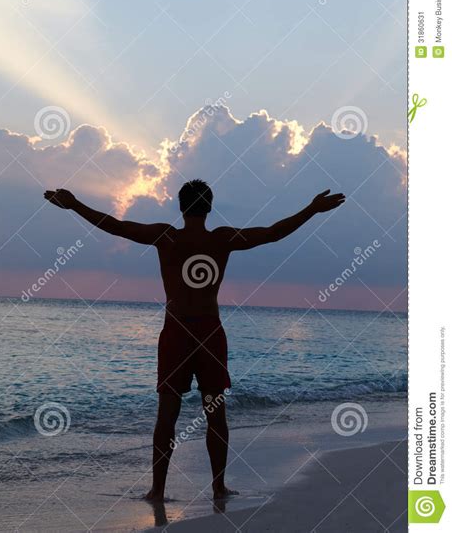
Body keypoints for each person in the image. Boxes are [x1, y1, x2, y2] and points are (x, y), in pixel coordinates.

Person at [44, 180, 345, 501]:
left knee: (167, 414)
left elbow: (116, 227)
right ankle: (217, 486)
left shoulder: (167, 236)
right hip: (209, 333)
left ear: (180, 207)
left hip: (175, 332)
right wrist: (311, 210)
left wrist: (75, 206)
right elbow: (272, 232)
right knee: (215, 411)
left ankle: (157, 490)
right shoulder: (222, 239)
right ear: (209, 207)